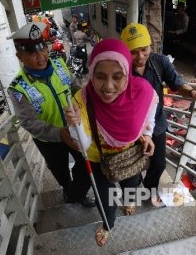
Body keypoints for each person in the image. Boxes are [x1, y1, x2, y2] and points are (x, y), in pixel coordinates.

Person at [64, 39, 158, 246]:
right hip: (99, 160)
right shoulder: (82, 100)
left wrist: (148, 133)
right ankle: (108, 224)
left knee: (131, 185)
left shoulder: (142, 90)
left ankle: (129, 200)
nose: (108, 87)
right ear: (91, 74)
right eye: (100, 77)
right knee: (105, 199)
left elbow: (150, 109)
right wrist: (76, 123)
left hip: (129, 155)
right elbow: (83, 145)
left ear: (127, 73)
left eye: (117, 77)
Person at [6, 21, 95, 208]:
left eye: (42, 49)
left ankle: (76, 194)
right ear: (19, 56)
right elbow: (29, 122)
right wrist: (59, 133)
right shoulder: (17, 88)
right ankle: (66, 188)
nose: (40, 57)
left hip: (74, 129)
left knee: (87, 164)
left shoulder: (59, 63)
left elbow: (76, 89)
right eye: (31, 53)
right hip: (49, 140)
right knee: (60, 170)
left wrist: (80, 107)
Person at [120, 23, 196, 201]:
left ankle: (148, 191)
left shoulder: (159, 61)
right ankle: (133, 191)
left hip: (156, 123)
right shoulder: (120, 69)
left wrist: (194, 93)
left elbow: (177, 83)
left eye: (144, 49)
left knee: (159, 164)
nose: (140, 56)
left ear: (151, 46)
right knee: (131, 166)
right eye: (133, 51)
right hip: (131, 127)